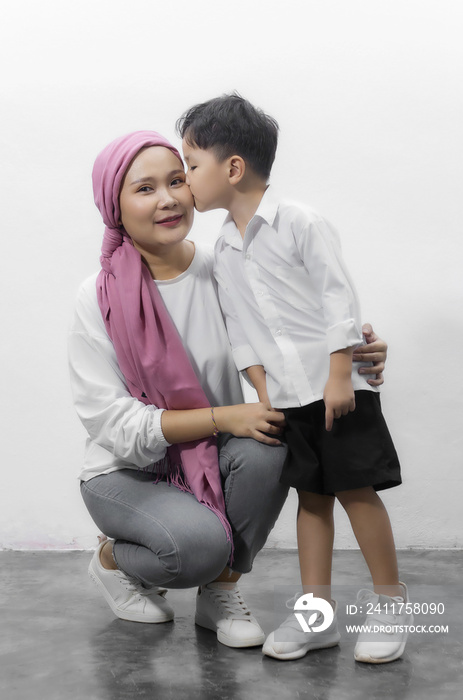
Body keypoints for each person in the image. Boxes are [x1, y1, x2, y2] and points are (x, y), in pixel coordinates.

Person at [69, 129, 388, 651]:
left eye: (178, 179)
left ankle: (220, 590)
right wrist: (223, 418)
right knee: (192, 549)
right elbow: (110, 422)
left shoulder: (224, 266)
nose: (170, 198)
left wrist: (355, 350)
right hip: (124, 472)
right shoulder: (97, 297)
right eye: (144, 189)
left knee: (277, 444)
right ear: (114, 205)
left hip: (208, 455)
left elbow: (293, 325)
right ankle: (111, 559)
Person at [177, 94, 411, 664]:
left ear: (232, 168)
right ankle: (318, 617)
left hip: (337, 389)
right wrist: (262, 395)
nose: (186, 180)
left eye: (190, 165)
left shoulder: (299, 221)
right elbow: (243, 332)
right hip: (285, 398)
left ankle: (391, 605)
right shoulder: (224, 249)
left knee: (357, 493)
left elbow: (338, 298)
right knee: (311, 501)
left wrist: (338, 375)